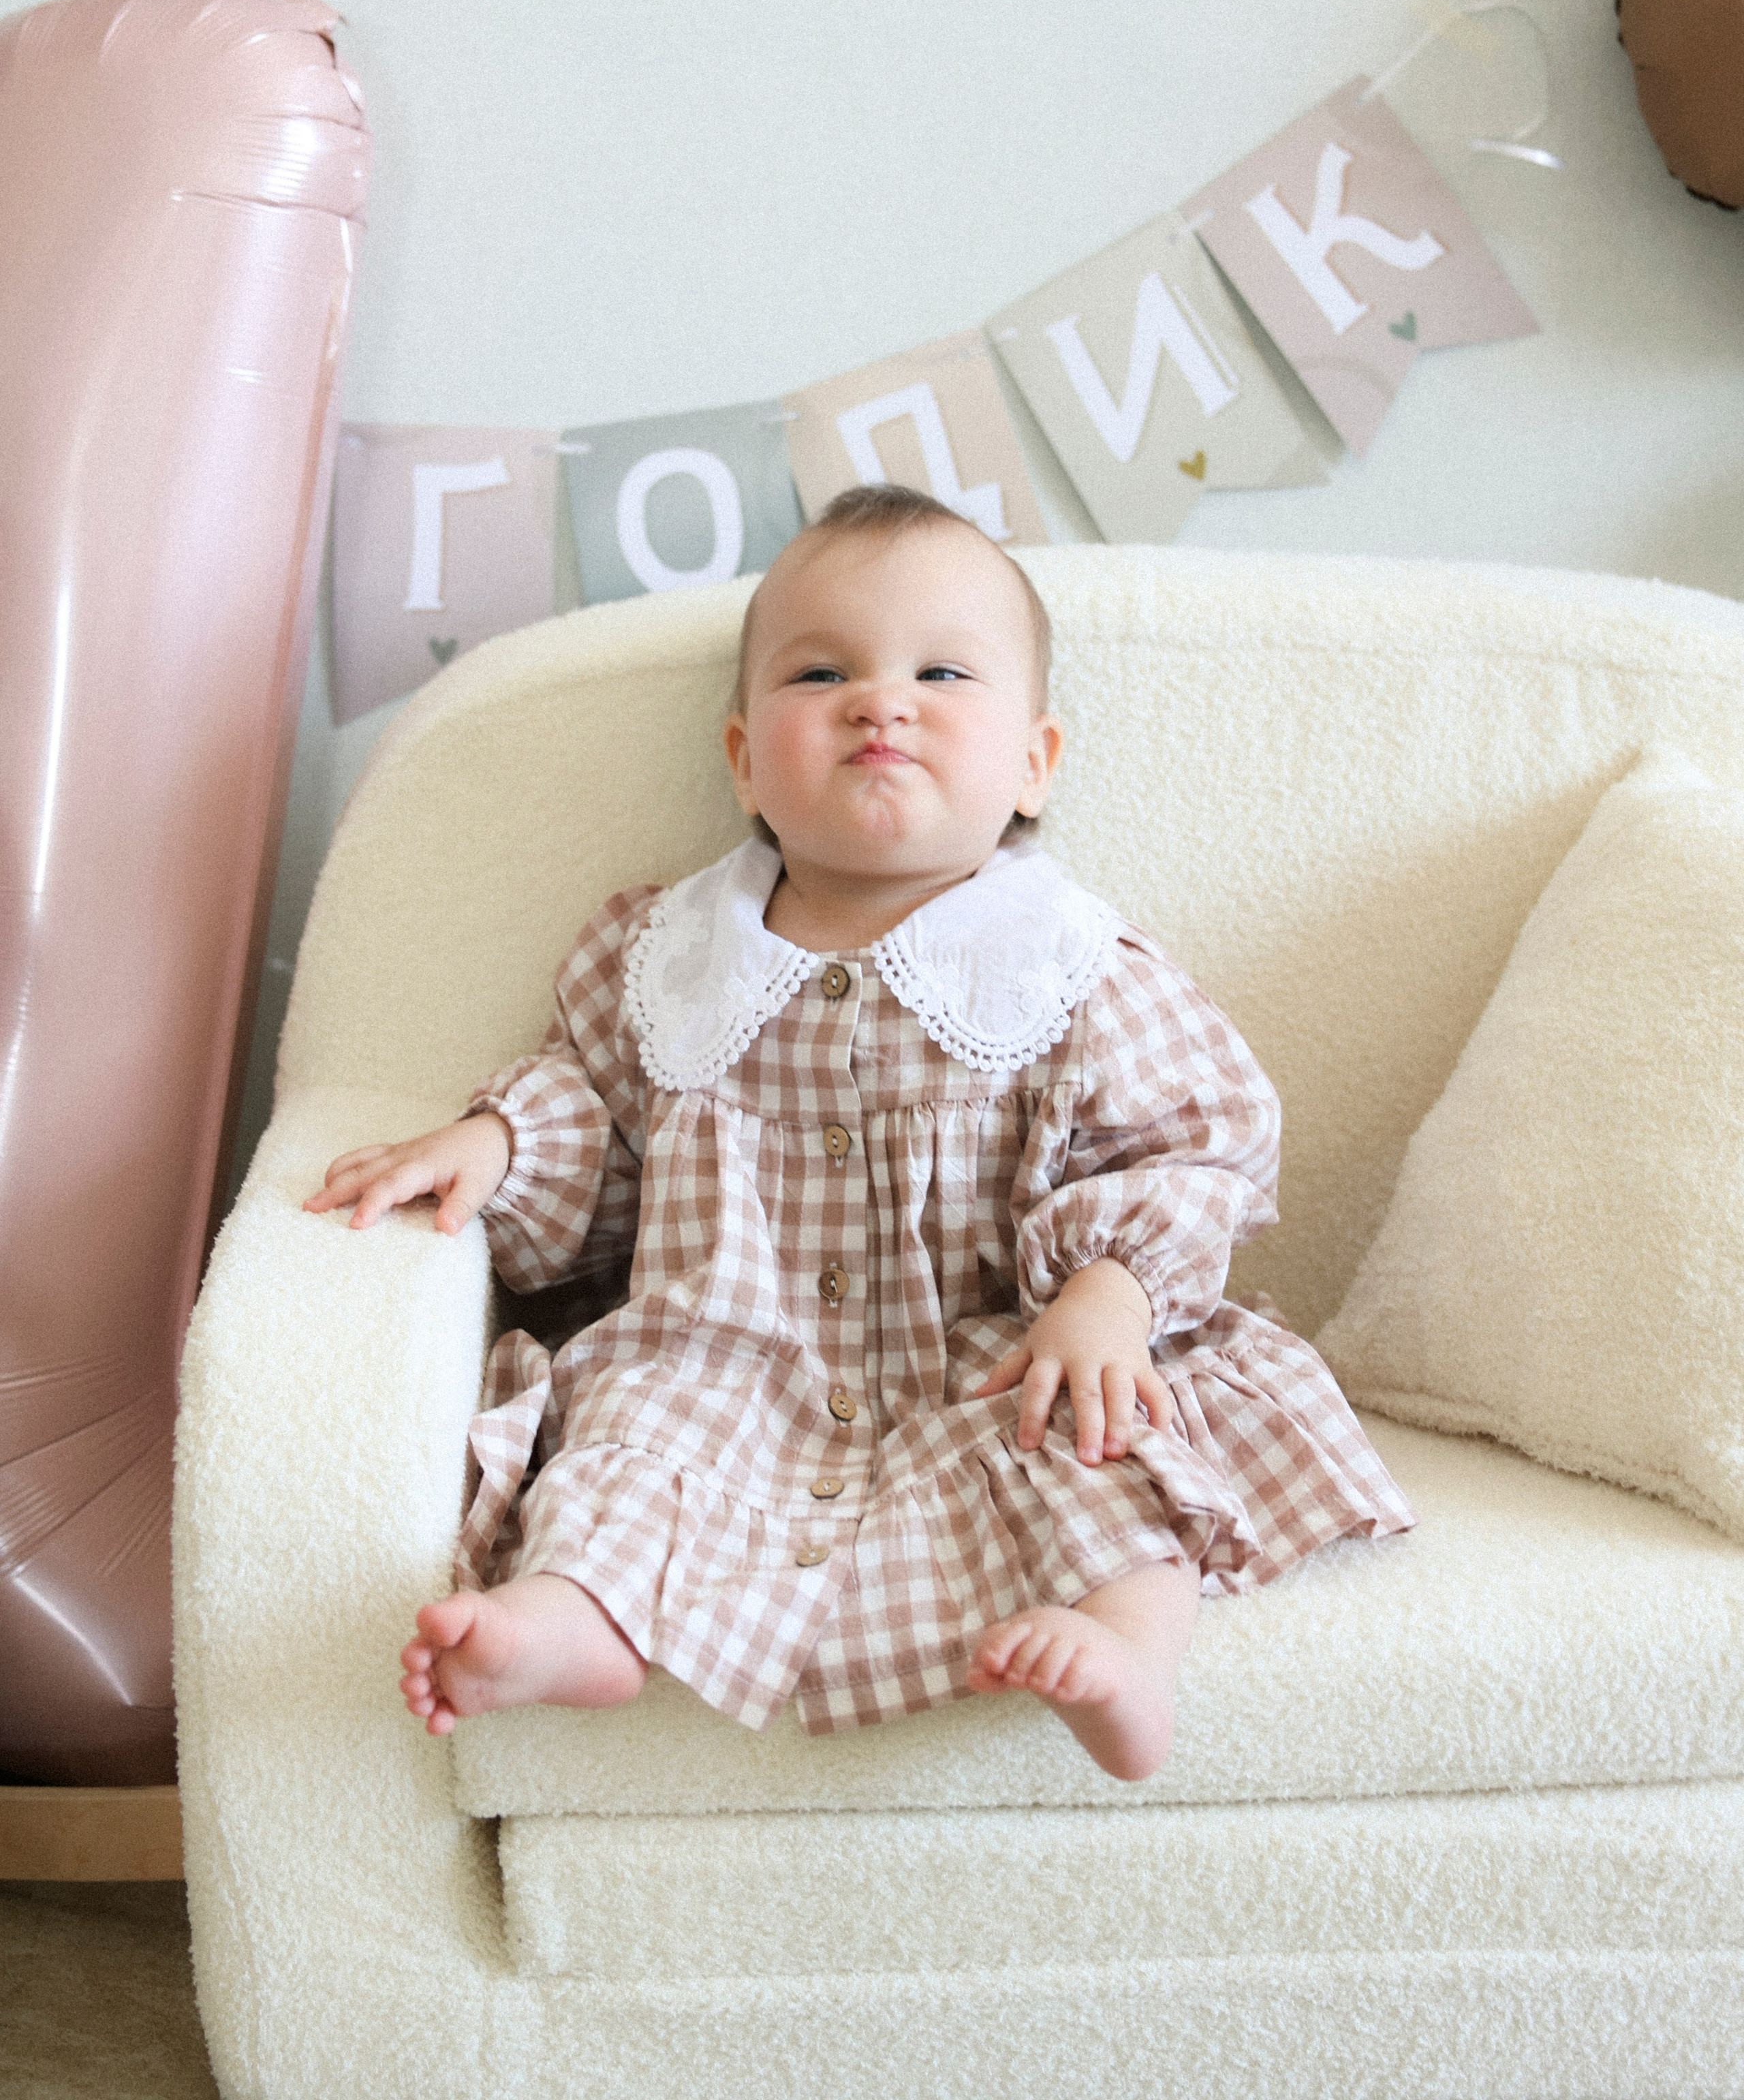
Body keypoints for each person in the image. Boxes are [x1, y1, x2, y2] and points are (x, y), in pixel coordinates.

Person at [305, 487, 1413, 1780]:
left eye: (942, 672)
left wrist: (1108, 1301)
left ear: (1035, 763)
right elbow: (603, 1125)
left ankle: (1125, 1644)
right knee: (629, 1437)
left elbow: (1193, 1149)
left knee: (1096, 1440)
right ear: (742, 762)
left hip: (998, 1353)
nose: (880, 703)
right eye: (822, 672)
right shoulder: (664, 959)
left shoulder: (1072, 967)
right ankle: (571, 1622)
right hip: (733, 1359)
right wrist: (494, 1145)